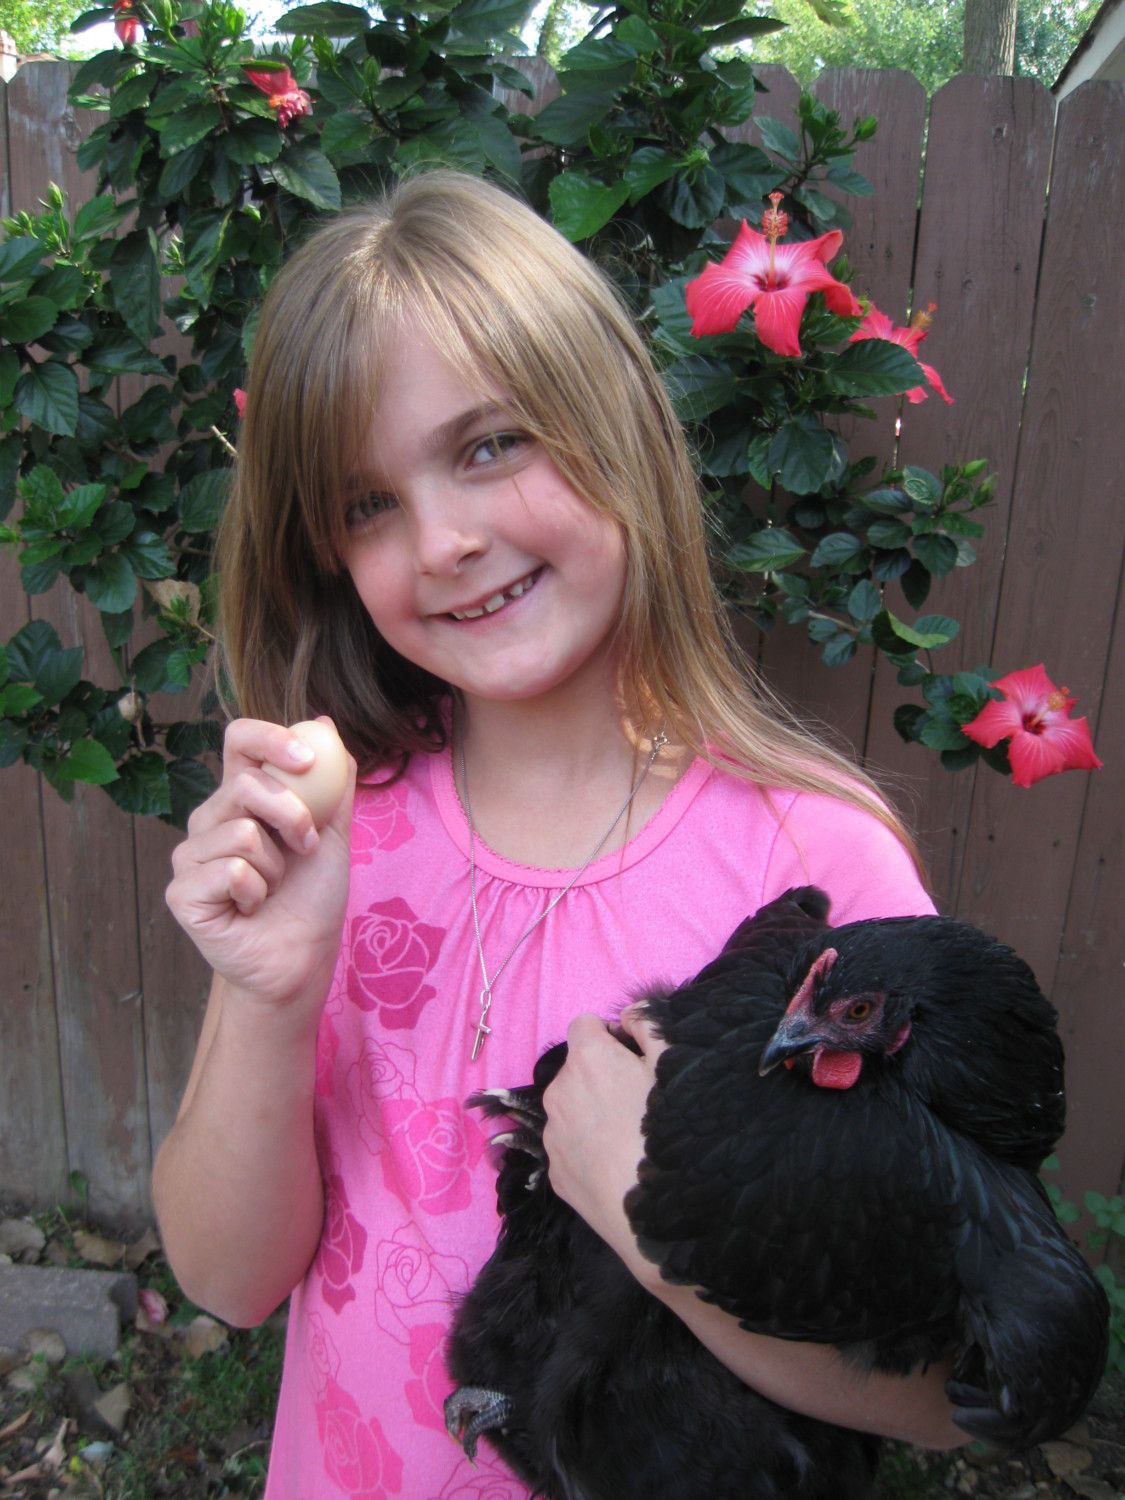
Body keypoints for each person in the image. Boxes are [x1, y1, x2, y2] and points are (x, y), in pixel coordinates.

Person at [156, 169, 963, 1499]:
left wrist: (663, 1227)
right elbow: (227, 1279)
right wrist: (270, 994)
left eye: (488, 446)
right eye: (367, 505)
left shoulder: (813, 870)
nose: (443, 542)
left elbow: (944, 1386)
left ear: (612, 420)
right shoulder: (337, 838)